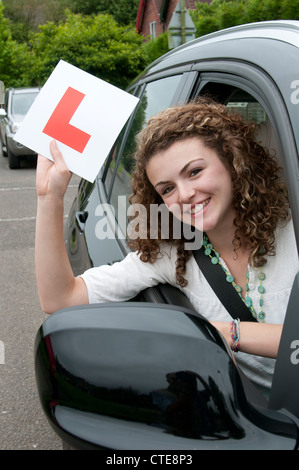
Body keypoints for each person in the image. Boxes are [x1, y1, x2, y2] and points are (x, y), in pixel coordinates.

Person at [35, 98, 298, 397]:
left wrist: (223, 332)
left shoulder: (293, 230)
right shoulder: (173, 252)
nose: (185, 194)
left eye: (195, 171)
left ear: (233, 160)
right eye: (168, 189)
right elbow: (59, 299)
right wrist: (49, 197)